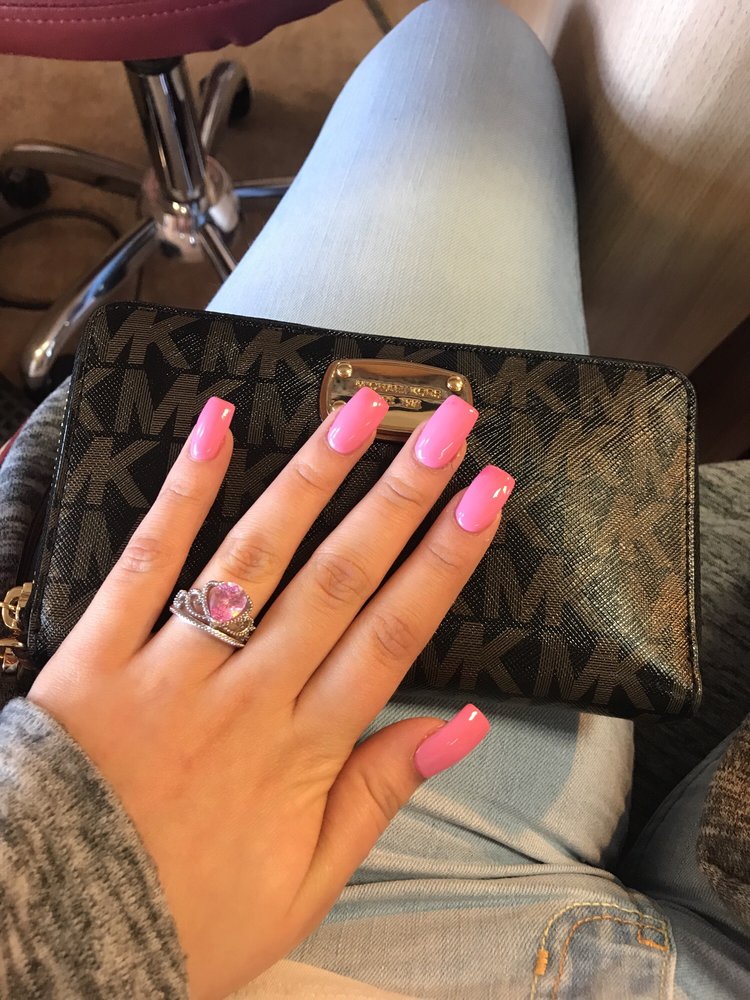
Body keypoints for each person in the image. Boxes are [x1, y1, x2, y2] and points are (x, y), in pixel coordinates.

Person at [0, 1, 748, 997]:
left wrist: (68, 859)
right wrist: (101, 895)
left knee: (463, 44)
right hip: (279, 875)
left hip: (132, 788)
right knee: (467, 45)